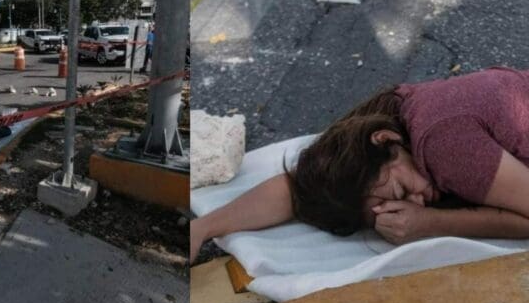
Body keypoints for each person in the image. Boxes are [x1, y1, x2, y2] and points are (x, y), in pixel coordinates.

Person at [191, 67, 529, 263]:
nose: (416, 204)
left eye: (402, 191)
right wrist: (205, 227)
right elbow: (302, 189)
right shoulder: (390, 118)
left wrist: (435, 223)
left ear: (384, 140)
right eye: (389, 208)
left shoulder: (443, 146)